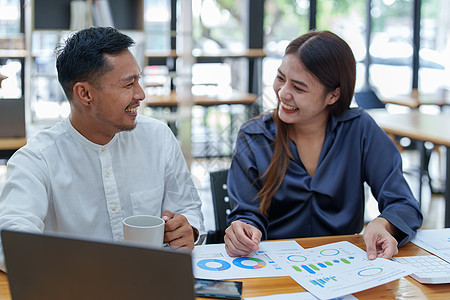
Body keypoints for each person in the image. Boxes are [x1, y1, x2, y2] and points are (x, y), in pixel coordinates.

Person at [0, 27, 205, 271]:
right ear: (84, 93)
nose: (141, 94)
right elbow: (10, 243)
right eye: (128, 84)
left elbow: (189, 209)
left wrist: (187, 229)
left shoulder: (158, 138)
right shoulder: (37, 160)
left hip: (152, 280)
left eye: (138, 80)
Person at [224, 30, 423, 260]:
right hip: (273, 266)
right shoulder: (254, 136)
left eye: (299, 88)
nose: (283, 93)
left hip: (344, 267)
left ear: (333, 95)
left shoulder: (359, 129)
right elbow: (247, 214)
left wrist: (383, 224)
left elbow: (403, 204)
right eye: (281, 78)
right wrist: (244, 230)